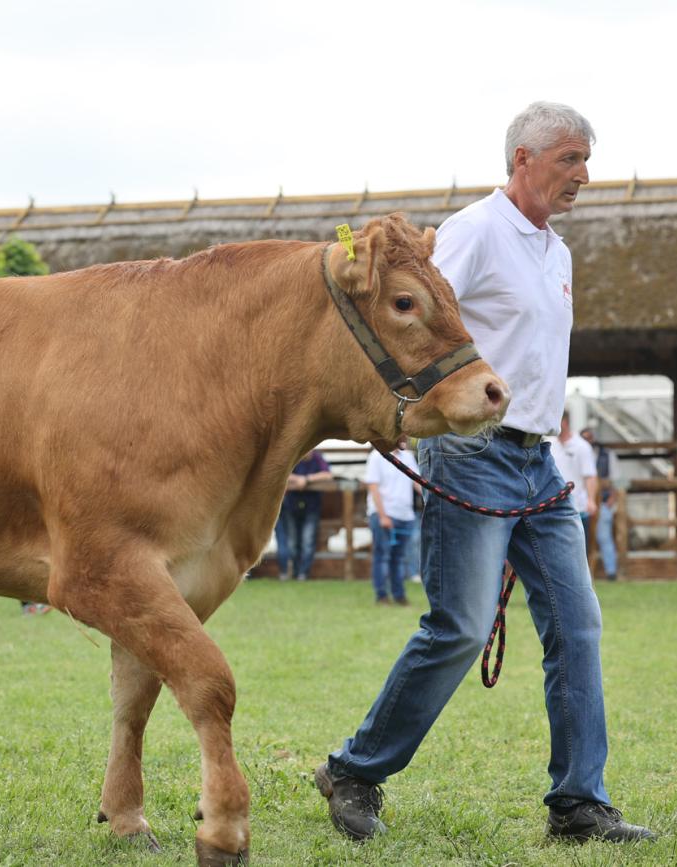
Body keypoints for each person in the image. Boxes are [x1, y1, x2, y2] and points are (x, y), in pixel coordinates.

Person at [316, 102, 655, 844]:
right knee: (462, 626)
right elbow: (407, 314)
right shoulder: (473, 232)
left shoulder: (556, 252)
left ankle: (579, 804)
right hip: (472, 453)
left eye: (585, 160)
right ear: (523, 160)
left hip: (542, 464)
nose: (583, 176)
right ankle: (354, 769)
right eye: (570, 159)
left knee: (578, 624)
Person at [364, 437, 420, 606]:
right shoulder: (376, 456)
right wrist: (382, 516)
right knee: (383, 557)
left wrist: (434, 494)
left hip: (405, 515)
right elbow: (373, 487)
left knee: (399, 558)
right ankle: (382, 595)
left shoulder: (408, 457)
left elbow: (417, 482)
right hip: (385, 514)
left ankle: (399, 595)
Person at [273, 449, 332, 580]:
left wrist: (307, 479)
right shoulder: (294, 456)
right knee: (292, 542)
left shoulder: (317, 458)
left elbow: (328, 474)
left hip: (311, 507)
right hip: (291, 506)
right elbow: (282, 474)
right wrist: (298, 479)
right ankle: (294, 571)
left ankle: (303, 573)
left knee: (307, 541)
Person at [550, 411, 599, 543]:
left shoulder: (582, 446)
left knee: (579, 549)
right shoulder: (550, 445)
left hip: (577, 508)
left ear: (564, 422)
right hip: (553, 508)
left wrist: (591, 500)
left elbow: (590, 476)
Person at [581, 428, 619, 581]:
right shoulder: (578, 453)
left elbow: (616, 479)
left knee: (604, 537)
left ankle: (611, 572)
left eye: (590, 438)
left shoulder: (607, 455)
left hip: (602, 502)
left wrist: (611, 500)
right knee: (580, 539)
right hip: (581, 503)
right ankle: (583, 574)